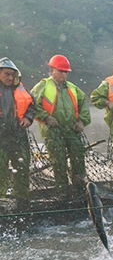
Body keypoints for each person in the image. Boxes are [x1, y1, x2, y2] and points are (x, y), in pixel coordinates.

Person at [31, 55, 91, 190]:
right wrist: (46, 117)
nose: (64, 74)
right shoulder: (43, 85)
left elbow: (84, 105)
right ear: (52, 70)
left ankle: (80, 190)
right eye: (61, 71)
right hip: (53, 131)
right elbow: (31, 104)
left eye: (66, 72)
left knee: (78, 160)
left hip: (72, 130)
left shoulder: (73, 88)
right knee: (59, 162)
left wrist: (82, 122)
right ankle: (62, 192)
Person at [0, 57, 35, 202]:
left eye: (12, 75)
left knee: (22, 170)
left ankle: (22, 201)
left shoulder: (21, 88)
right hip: (1, 138)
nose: (10, 77)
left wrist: (28, 118)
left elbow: (32, 106)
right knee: (0, 172)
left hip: (19, 137)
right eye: (6, 74)